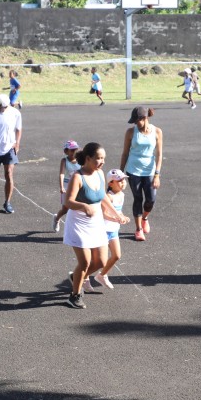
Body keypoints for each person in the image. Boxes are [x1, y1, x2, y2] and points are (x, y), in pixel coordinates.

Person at [63, 143, 129, 309]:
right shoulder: (77, 177)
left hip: (96, 223)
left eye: (103, 158)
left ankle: (77, 276)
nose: (102, 162)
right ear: (88, 158)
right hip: (79, 223)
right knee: (85, 262)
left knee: (100, 261)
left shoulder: (99, 174)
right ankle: (74, 295)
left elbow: (102, 198)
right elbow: (68, 202)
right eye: (99, 158)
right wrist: (84, 206)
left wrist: (116, 214)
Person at [120, 106, 163, 242]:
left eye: (136, 120)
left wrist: (157, 174)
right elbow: (125, 153)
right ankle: (138, 229)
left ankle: (144, 218)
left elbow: (159, 154)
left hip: (149, 171)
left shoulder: (157, 131)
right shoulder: (130, 132)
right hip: (133, 171)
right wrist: (121, 173)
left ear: (144, 118)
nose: (135, 123)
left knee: (151, 199)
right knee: (138, 198)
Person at [94, 168, 129, 290]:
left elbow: (118, 211)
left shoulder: (122, 195)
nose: (123, 182)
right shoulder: (109, 197)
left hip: (113, 231)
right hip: (103, 231)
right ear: (110, 183)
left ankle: (102, 275)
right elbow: (104, 214)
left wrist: (123, 216)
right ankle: (82, 277)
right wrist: (118, 219)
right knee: (97, 260)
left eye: (123, 180)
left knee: (116, 256)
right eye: (119, 180)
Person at [52, 140, 81, 232]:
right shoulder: (64, 161)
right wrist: (61, 187)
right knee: (65, 209)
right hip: (67, 185)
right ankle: (56, 218)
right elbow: (61, 174)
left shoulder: (80, 160)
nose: (74, 152)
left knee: (78, 209)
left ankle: (75, 229)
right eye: (72, 150)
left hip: (78, 186)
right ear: (66, 151)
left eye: (75, 150)